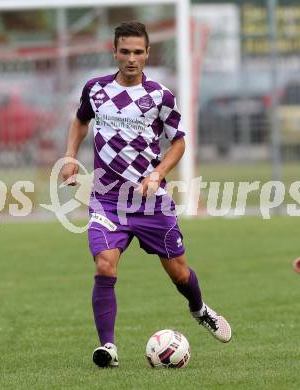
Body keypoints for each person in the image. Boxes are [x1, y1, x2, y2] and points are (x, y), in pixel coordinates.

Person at [62, 21, 231, 368]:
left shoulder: (159, 96)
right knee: (105, 266)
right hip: (108, 200)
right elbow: (80, 121)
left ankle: (199, 309)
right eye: (125, 51)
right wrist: (69, 157)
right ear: (114, 52)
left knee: (179, 273)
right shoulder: (95, 90)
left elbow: (179, 141)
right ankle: (107, 348)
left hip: (152, 204)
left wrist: (158, 173)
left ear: (147, 53)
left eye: (138, 52)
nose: (131, 59)